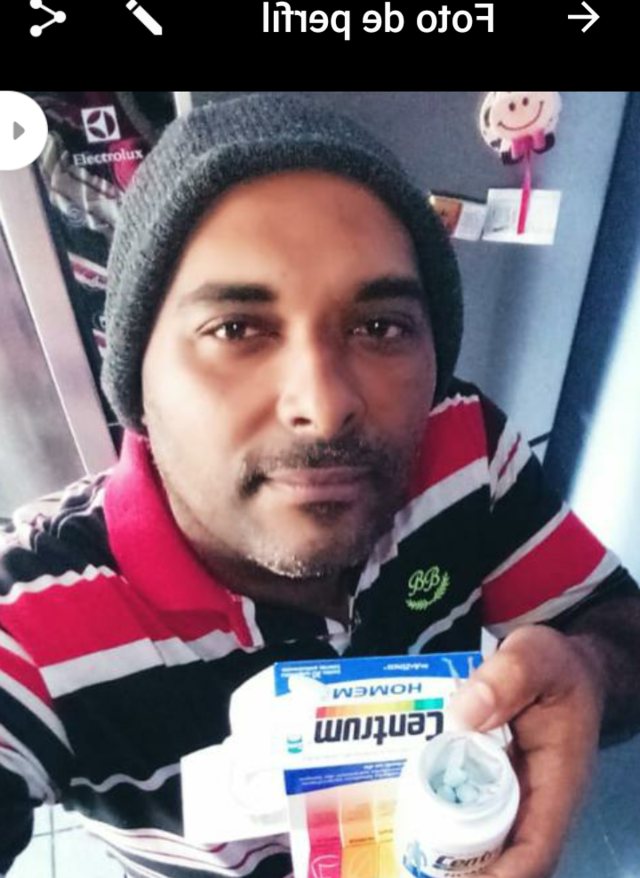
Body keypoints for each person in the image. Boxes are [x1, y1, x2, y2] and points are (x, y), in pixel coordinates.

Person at [1, 91, 639, 878]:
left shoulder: (462, 446)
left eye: (380, 328)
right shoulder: (31, 622)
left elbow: (619, 628)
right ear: (136, 378)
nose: (326, 403)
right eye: (237, 329)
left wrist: (588, 673)